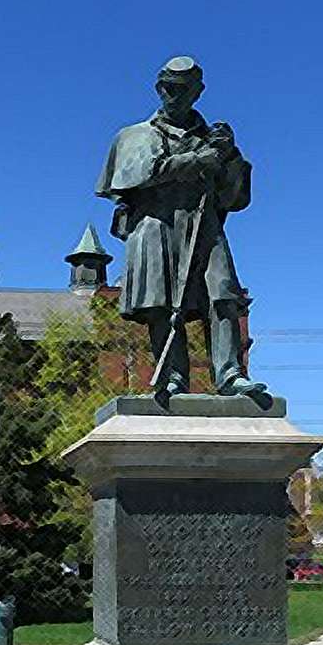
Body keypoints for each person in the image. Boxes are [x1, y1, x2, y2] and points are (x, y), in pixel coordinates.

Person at [96, 56, 267, 401]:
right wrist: (196, 161)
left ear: (198, 91)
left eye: (184, 89)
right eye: (169, 88)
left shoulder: (213, 140)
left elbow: (235, 197)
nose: (175, 95)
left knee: (223, 293)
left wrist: (229, 159)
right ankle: (173, 377)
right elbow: (141, 173)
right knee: (160, 302)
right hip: (155, 224)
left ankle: (230, 373)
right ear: (159, 89)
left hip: (204, 225)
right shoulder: (136, 135)